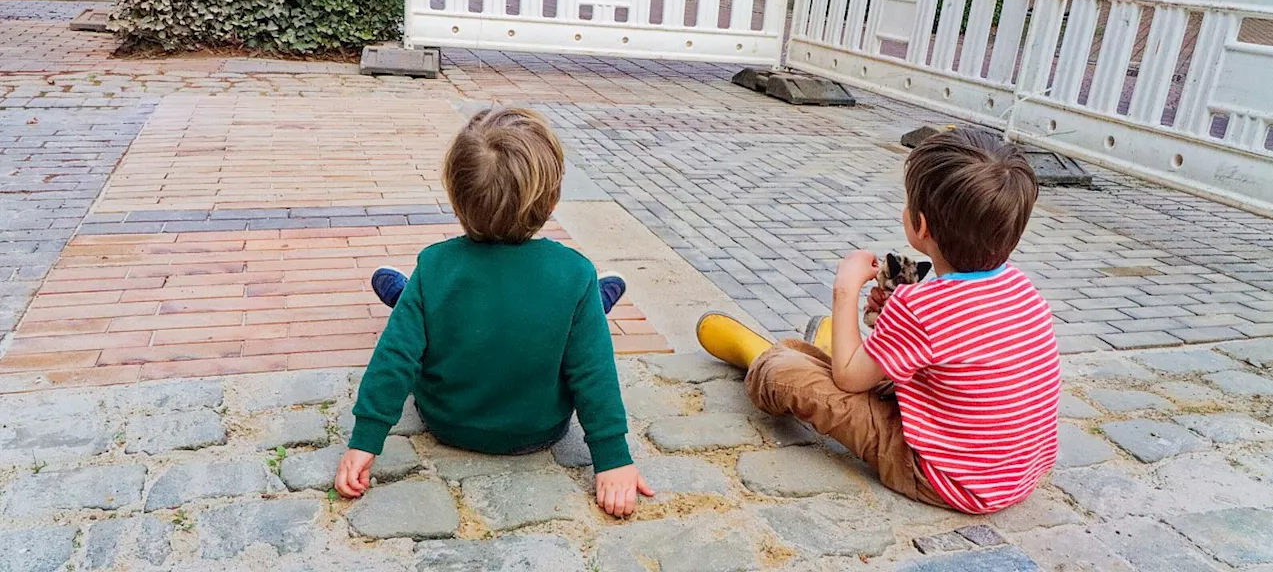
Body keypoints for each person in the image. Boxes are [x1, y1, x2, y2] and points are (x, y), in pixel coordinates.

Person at [696, 128, 1059, 514]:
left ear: (919, 226)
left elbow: (850, 381)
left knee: (787, 374)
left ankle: (761, 357)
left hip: (945, 476)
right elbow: (953, 343)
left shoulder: (921, 307)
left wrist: (845, 288)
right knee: (859, 363)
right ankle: (830, 348)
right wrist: (889, 315)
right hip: (1014, 473)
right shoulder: (1020, 286)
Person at [334, 107, 652, 517]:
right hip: (539, 431)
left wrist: (365, 441)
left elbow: (395, 359)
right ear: (551, 199)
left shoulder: (435, 265)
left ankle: (402, 293)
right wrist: (612, 458)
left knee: (425, 306)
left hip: (447, 422)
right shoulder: (573, 272)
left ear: (455, 194)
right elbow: (593, 372)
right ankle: (600, 299)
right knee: (578, 313)